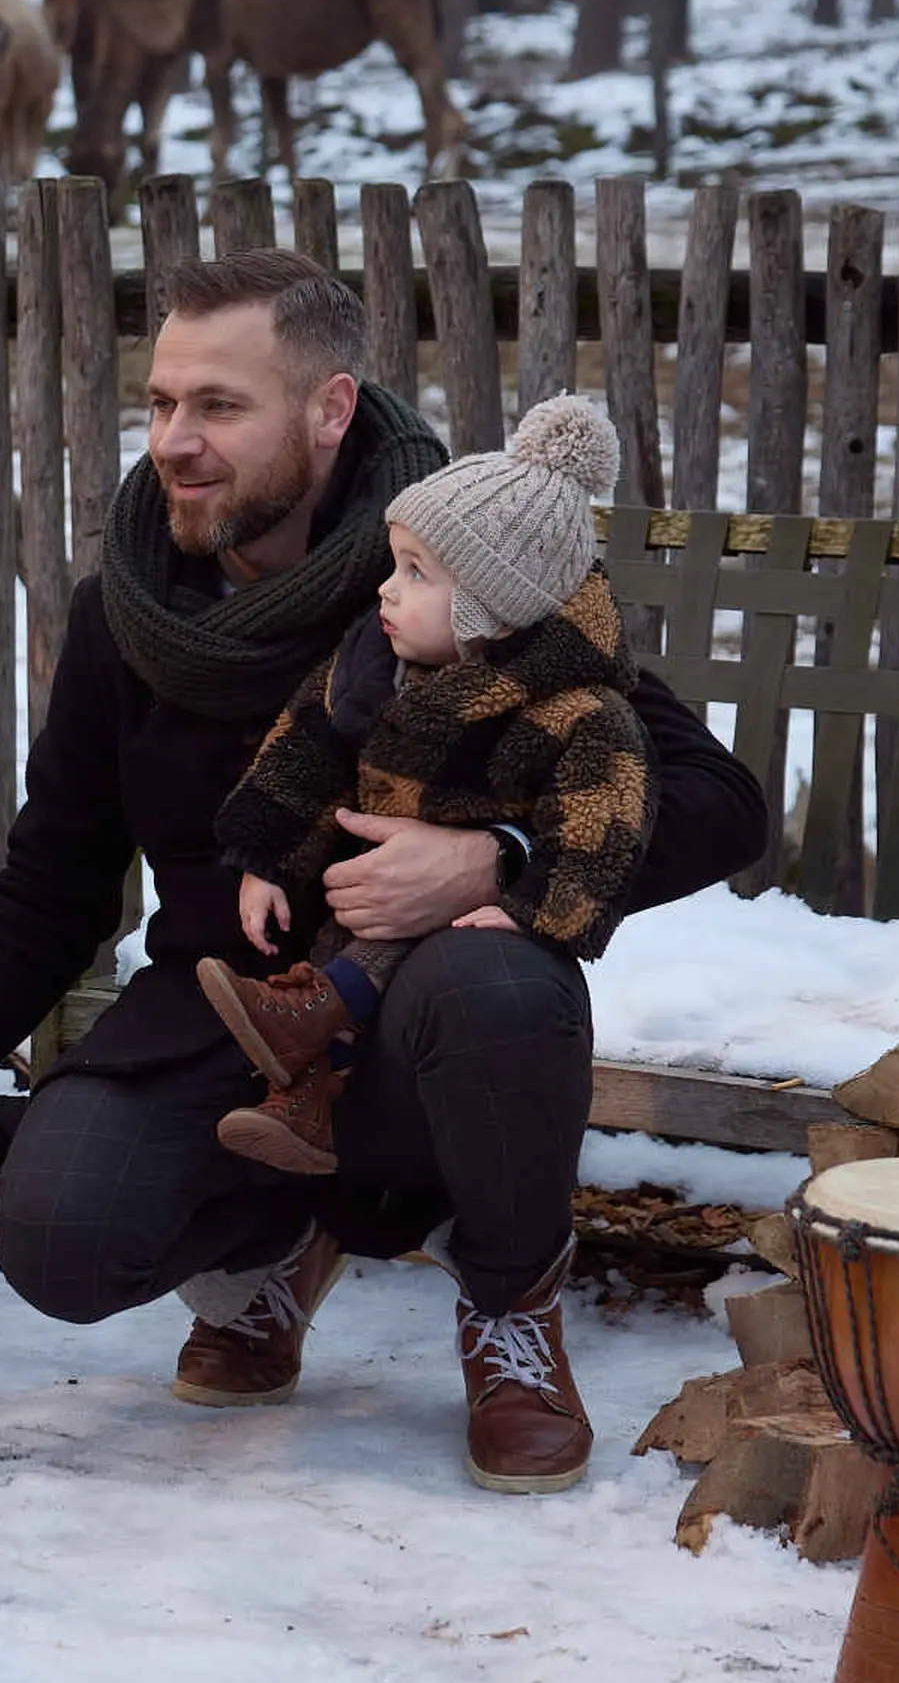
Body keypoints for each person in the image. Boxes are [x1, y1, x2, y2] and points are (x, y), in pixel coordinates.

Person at [0, 250, 769, 1493]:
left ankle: (510, 1306)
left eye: (219, 407)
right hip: (224, 1011)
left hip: (420, 1021)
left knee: (500, 992)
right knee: (60, 1235)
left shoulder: (466, 572)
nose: (175, 440)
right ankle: (284, 1242)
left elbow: (720, 803)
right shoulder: (127, 613)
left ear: (329, 411)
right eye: (162, 402)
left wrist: (496, 859)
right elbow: (50, 890)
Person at [200, 391, 649, 1176]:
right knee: (343, 946)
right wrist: (265, 856)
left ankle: (305, 1022)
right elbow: (303, 748)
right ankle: (303, 1106)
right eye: (394, 562)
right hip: (363, 894)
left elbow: (605, 818)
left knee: (398, 955)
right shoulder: (375, 668)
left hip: (458, 938)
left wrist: (533, 906)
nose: (387, 588)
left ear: (489, 613)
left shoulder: (574, 711)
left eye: (417, 573)